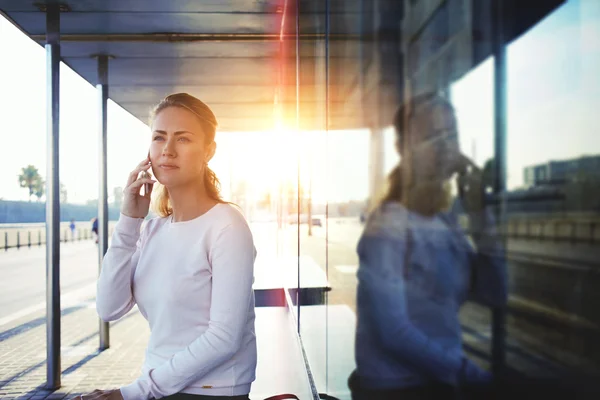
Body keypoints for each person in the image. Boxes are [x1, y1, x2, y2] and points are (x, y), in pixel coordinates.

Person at [78, 93, 257, 400]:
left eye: (183, 139)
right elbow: (109, 308)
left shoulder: (227, 225)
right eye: (159, 138)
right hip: (156, 387)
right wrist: (128, 221)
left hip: (211, 393)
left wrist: (131, 393)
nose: (168, 150)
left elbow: (225, 338)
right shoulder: (153, 229)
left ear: (208, 151)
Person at [348, 93, 507, 400]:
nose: (446, 144)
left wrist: (480, 215)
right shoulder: (389, 223)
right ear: (402, 149)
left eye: (452, 133)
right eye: (432, 136)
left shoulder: (445, 223)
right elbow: (393, 331)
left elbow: (495, 292)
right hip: (396, 389)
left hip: (437, 383)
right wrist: (468, 374)